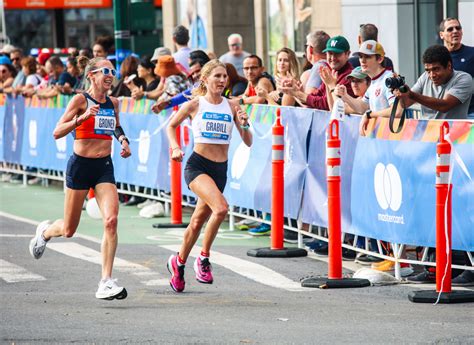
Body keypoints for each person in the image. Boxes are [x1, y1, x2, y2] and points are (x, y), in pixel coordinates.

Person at [29, 57, 132, 300]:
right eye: (105, 71)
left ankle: (105, 281)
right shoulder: (80, 100)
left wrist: (123, 141)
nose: (110, 74)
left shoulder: (114, 102)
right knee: (68, 230)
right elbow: (57, 131)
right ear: (91, 75)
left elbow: (116, 126)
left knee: (111, 221)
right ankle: (44, 232)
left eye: (112, 71)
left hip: (104, 167)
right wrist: (82, 118)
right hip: (80, 166)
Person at [165, 59, 252, 292]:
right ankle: (203, 258)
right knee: (221, 209)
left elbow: (248, 141)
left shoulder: (233, 106)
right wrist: (175, 147)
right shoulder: (195, 105)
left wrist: (244, 124)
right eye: (217, 76)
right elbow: (170, 126)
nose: (222, 80)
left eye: (224, 76)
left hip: (219, 170)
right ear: (205, 80)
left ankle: (178, 262)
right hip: (197, 166)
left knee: (196, 222)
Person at [393, 45, 472, 120]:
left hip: (453, 133)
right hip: (426, 132)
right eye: (428, 70)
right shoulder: (425, 76)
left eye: (436, 69)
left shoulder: (463, 79)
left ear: (449, 66)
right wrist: (401, 94)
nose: (432, 75)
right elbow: (405, 104)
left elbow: (445, 106)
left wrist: (411, 95)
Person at [279, 35, 355, 111]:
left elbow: (327, 104)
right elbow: (315, 97)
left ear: (347, 54)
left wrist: (297, 93)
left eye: (337, 54)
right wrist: (296, 92)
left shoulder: (350, 76)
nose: (332, 58)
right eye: (330, 53)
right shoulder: (332, 72)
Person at [439, 17, 474, 117]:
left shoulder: (472, 53)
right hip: (444, 115)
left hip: (470, 113)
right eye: (450, 29)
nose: (455, 31)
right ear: (441, 34)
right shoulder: (436, 56)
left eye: (458, 28)